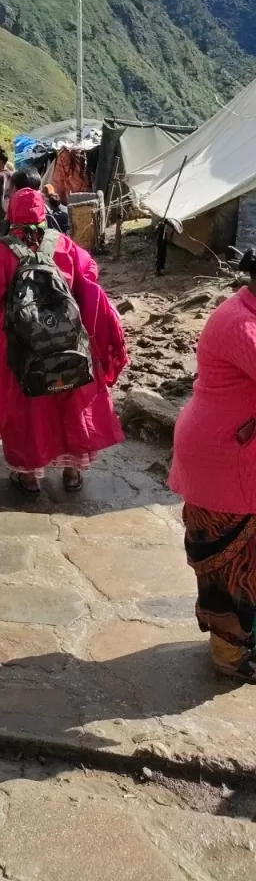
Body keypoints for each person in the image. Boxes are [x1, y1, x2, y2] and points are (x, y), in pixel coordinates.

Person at [0, 187, 127, 496]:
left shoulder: (1, 253)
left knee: (26, 408)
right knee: (69, 400)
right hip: (67, 340)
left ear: (11, 216)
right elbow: (90, 275)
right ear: (44, 215)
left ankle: (29, 476)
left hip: (18, 345)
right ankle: (72, 472)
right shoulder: (64, 246)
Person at [169, 251, 256, 681]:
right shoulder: (240, 323)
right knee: (230, 567)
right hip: (224, 458)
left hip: (233, 453)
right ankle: (229, 653)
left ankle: (241, 640)